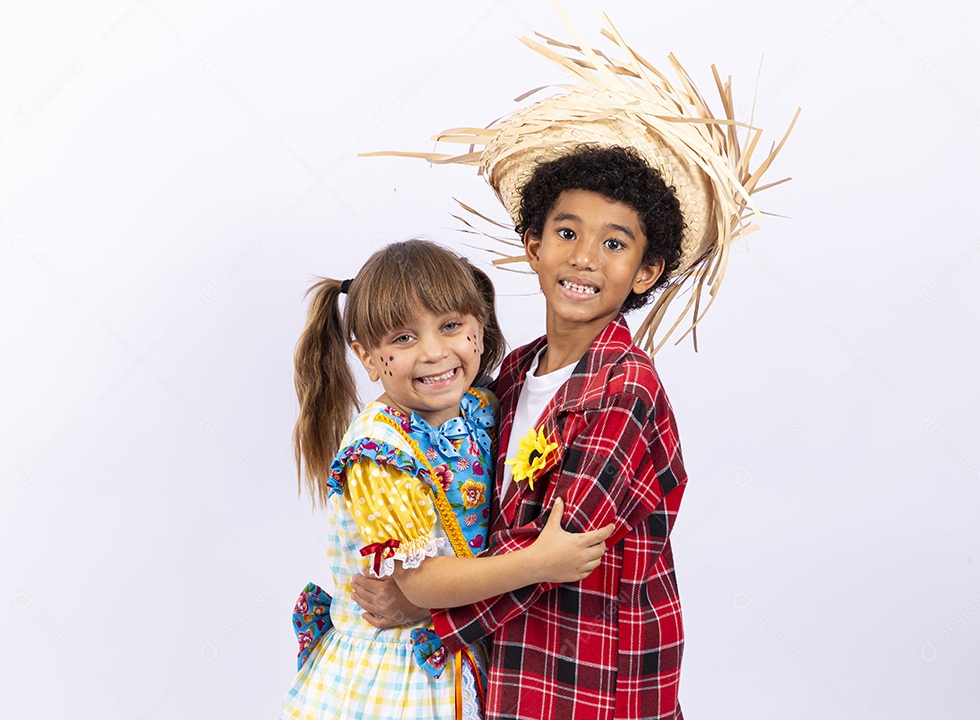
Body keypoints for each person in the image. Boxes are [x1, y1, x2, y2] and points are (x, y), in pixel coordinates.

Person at [353, 13, 797, 720]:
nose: (586, 257)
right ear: (533, 245)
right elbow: (483, 515)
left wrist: (422, 603)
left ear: (646, 270)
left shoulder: (625, 388)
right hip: (516, 668)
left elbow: (561, 550)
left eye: (615, 244)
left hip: (598, 675)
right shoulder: (510, 374)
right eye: (567, 232)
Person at [279, 239, 614, 720]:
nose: (434, 351)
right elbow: (422, 583)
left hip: (465, 648)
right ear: (368, 358)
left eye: (451, 326)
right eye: (403, 338)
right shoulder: (380, 454)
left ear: (480, 325)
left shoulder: (483, 408)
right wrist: (538, 563)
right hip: (400, 675)